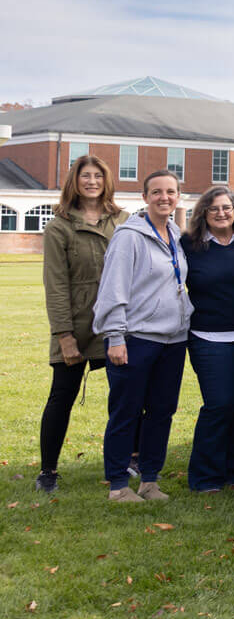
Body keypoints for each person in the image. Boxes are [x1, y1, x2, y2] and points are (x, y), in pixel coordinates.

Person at [91, 169, 193, 502]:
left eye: (171, 192)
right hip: (135, 338)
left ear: (179, 196)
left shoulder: (175, 234)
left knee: (162, 411)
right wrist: (116, 337)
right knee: (127, 411)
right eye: (157, 192)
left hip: (173, 340)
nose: (165, 197)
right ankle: (119, 484)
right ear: (144, 197)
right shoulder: (129, 237)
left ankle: (150, 479)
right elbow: (113, 290)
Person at [38, 155, 126, 494]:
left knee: (126, 396)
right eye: (85, 176)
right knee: (61, 396)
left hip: (116, 324)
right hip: (76, 324)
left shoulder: (122, 220)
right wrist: (64, 336)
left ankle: (126, 461)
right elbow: (56, 285)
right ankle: (48, 471)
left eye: (98, 176)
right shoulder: (58, 226)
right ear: (74, 181)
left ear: (107, 181)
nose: (91, 181)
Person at [180, 187, 234, 494]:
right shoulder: (190, 244)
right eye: (214, 209)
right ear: (203, 214)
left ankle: (231, 473)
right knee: (220, 404)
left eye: (227, 208)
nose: (222, 213)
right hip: (209, 337)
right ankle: (204, 477)